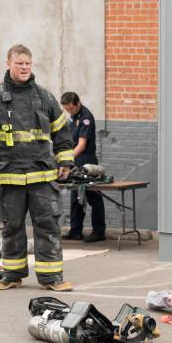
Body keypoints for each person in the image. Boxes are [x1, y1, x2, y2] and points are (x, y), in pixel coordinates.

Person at [0, 44, 75, 291]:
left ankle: (52, 278)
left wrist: (65, 161)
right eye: (19, 63)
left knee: (47, 227)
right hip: (8, 178)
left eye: (28, 63)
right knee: (12, 227)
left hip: (42, 178)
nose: (25, 68)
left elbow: (62, 132)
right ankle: (12, 275)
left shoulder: (44, 97)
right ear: (9, 63)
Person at [60, 92, 106, 243]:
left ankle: (99, 231)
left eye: (71, 109)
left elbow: (81, 145)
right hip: (76, 160)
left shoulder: (86, 117)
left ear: (78, 103)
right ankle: (75, 231)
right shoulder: (73, 117)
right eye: (67, 109)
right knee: (76, 197)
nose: (69, 111)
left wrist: (67, 160)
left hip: (87, 160)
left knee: (94, 197)